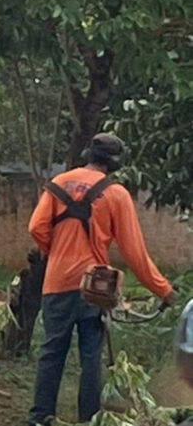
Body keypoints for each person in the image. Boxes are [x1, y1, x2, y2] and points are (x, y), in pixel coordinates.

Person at [27, 133, 177, 426]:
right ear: (115, 163)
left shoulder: (57, 185)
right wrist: (164, 290)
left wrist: (55, 252)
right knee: (91, 355)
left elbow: (36, 227)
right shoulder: (116, 194)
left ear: (88, 155)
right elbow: (134, 252)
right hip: (94, 287)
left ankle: (40, 416)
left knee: (51, 350)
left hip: (56, 282)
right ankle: (90, 418)